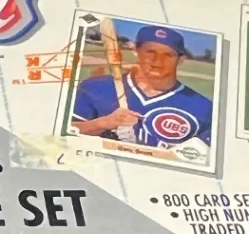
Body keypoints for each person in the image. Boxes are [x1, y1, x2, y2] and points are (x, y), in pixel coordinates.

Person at [69, 23, 212, 152]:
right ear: (135, 51)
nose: (157, 61)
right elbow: (65, 134)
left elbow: (201, 159)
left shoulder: (204, 108)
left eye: (168, 55)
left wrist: (144, 147)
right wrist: (104, 123)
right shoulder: (95, 87)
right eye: (150, 52)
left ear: (180, 60)